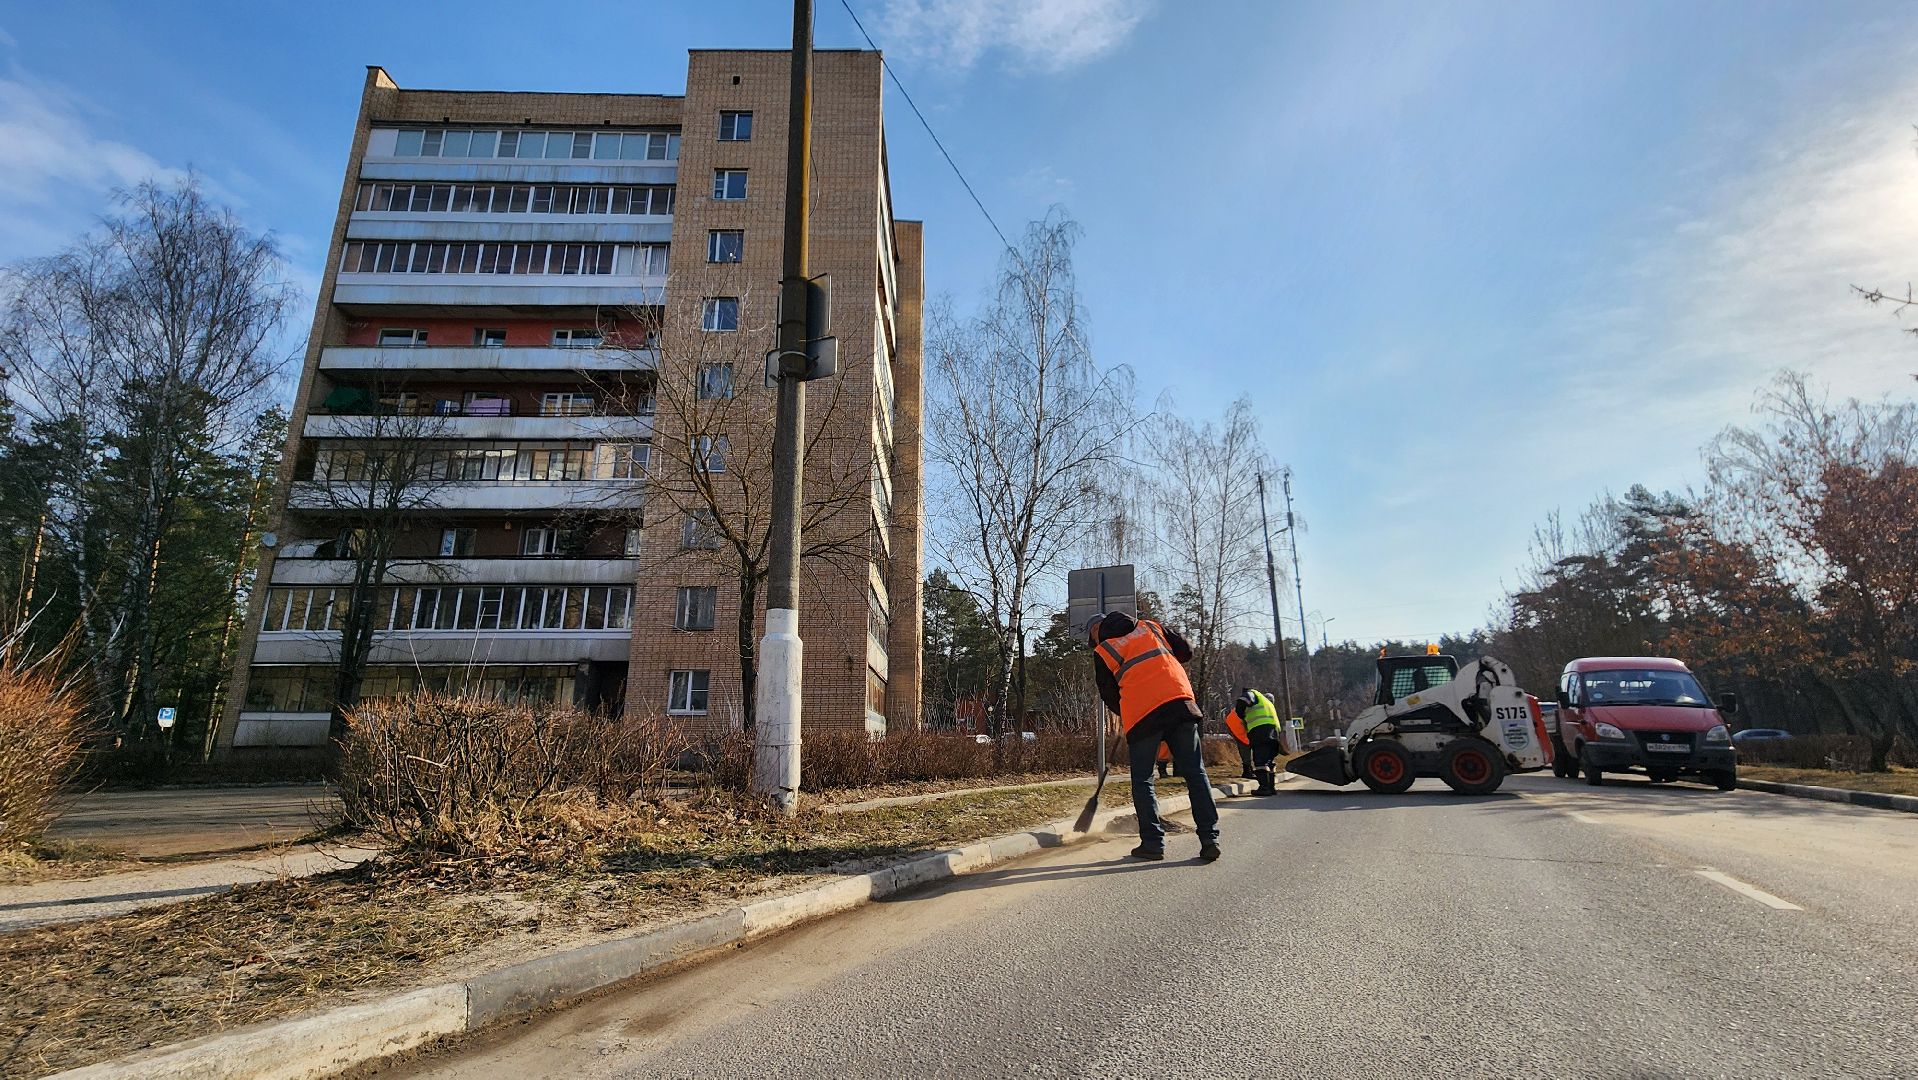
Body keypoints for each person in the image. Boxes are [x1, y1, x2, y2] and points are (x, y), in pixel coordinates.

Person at [1088, 611, 1221, 862]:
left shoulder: (1104, 651)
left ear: (1096, 631)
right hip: (1180, 704)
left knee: (1142, 780)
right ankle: (1209, 839)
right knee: (1195, 773)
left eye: (1092, 638)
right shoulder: (1151, 627)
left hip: (1143, 715)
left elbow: (1109, 694)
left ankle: (1152, 843)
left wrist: (1129, 710)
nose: (1094, 643)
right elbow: (1187, 651)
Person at [1226, 687, 1284, 795]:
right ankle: (1271, 787)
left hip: (1260, 730)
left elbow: (1243, 700)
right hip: (1274, 731)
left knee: (1260, 760)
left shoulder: (1252, 693)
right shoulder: (1267, 702)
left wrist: (1241, 714)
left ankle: (1264, 788)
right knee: (1269, 761)